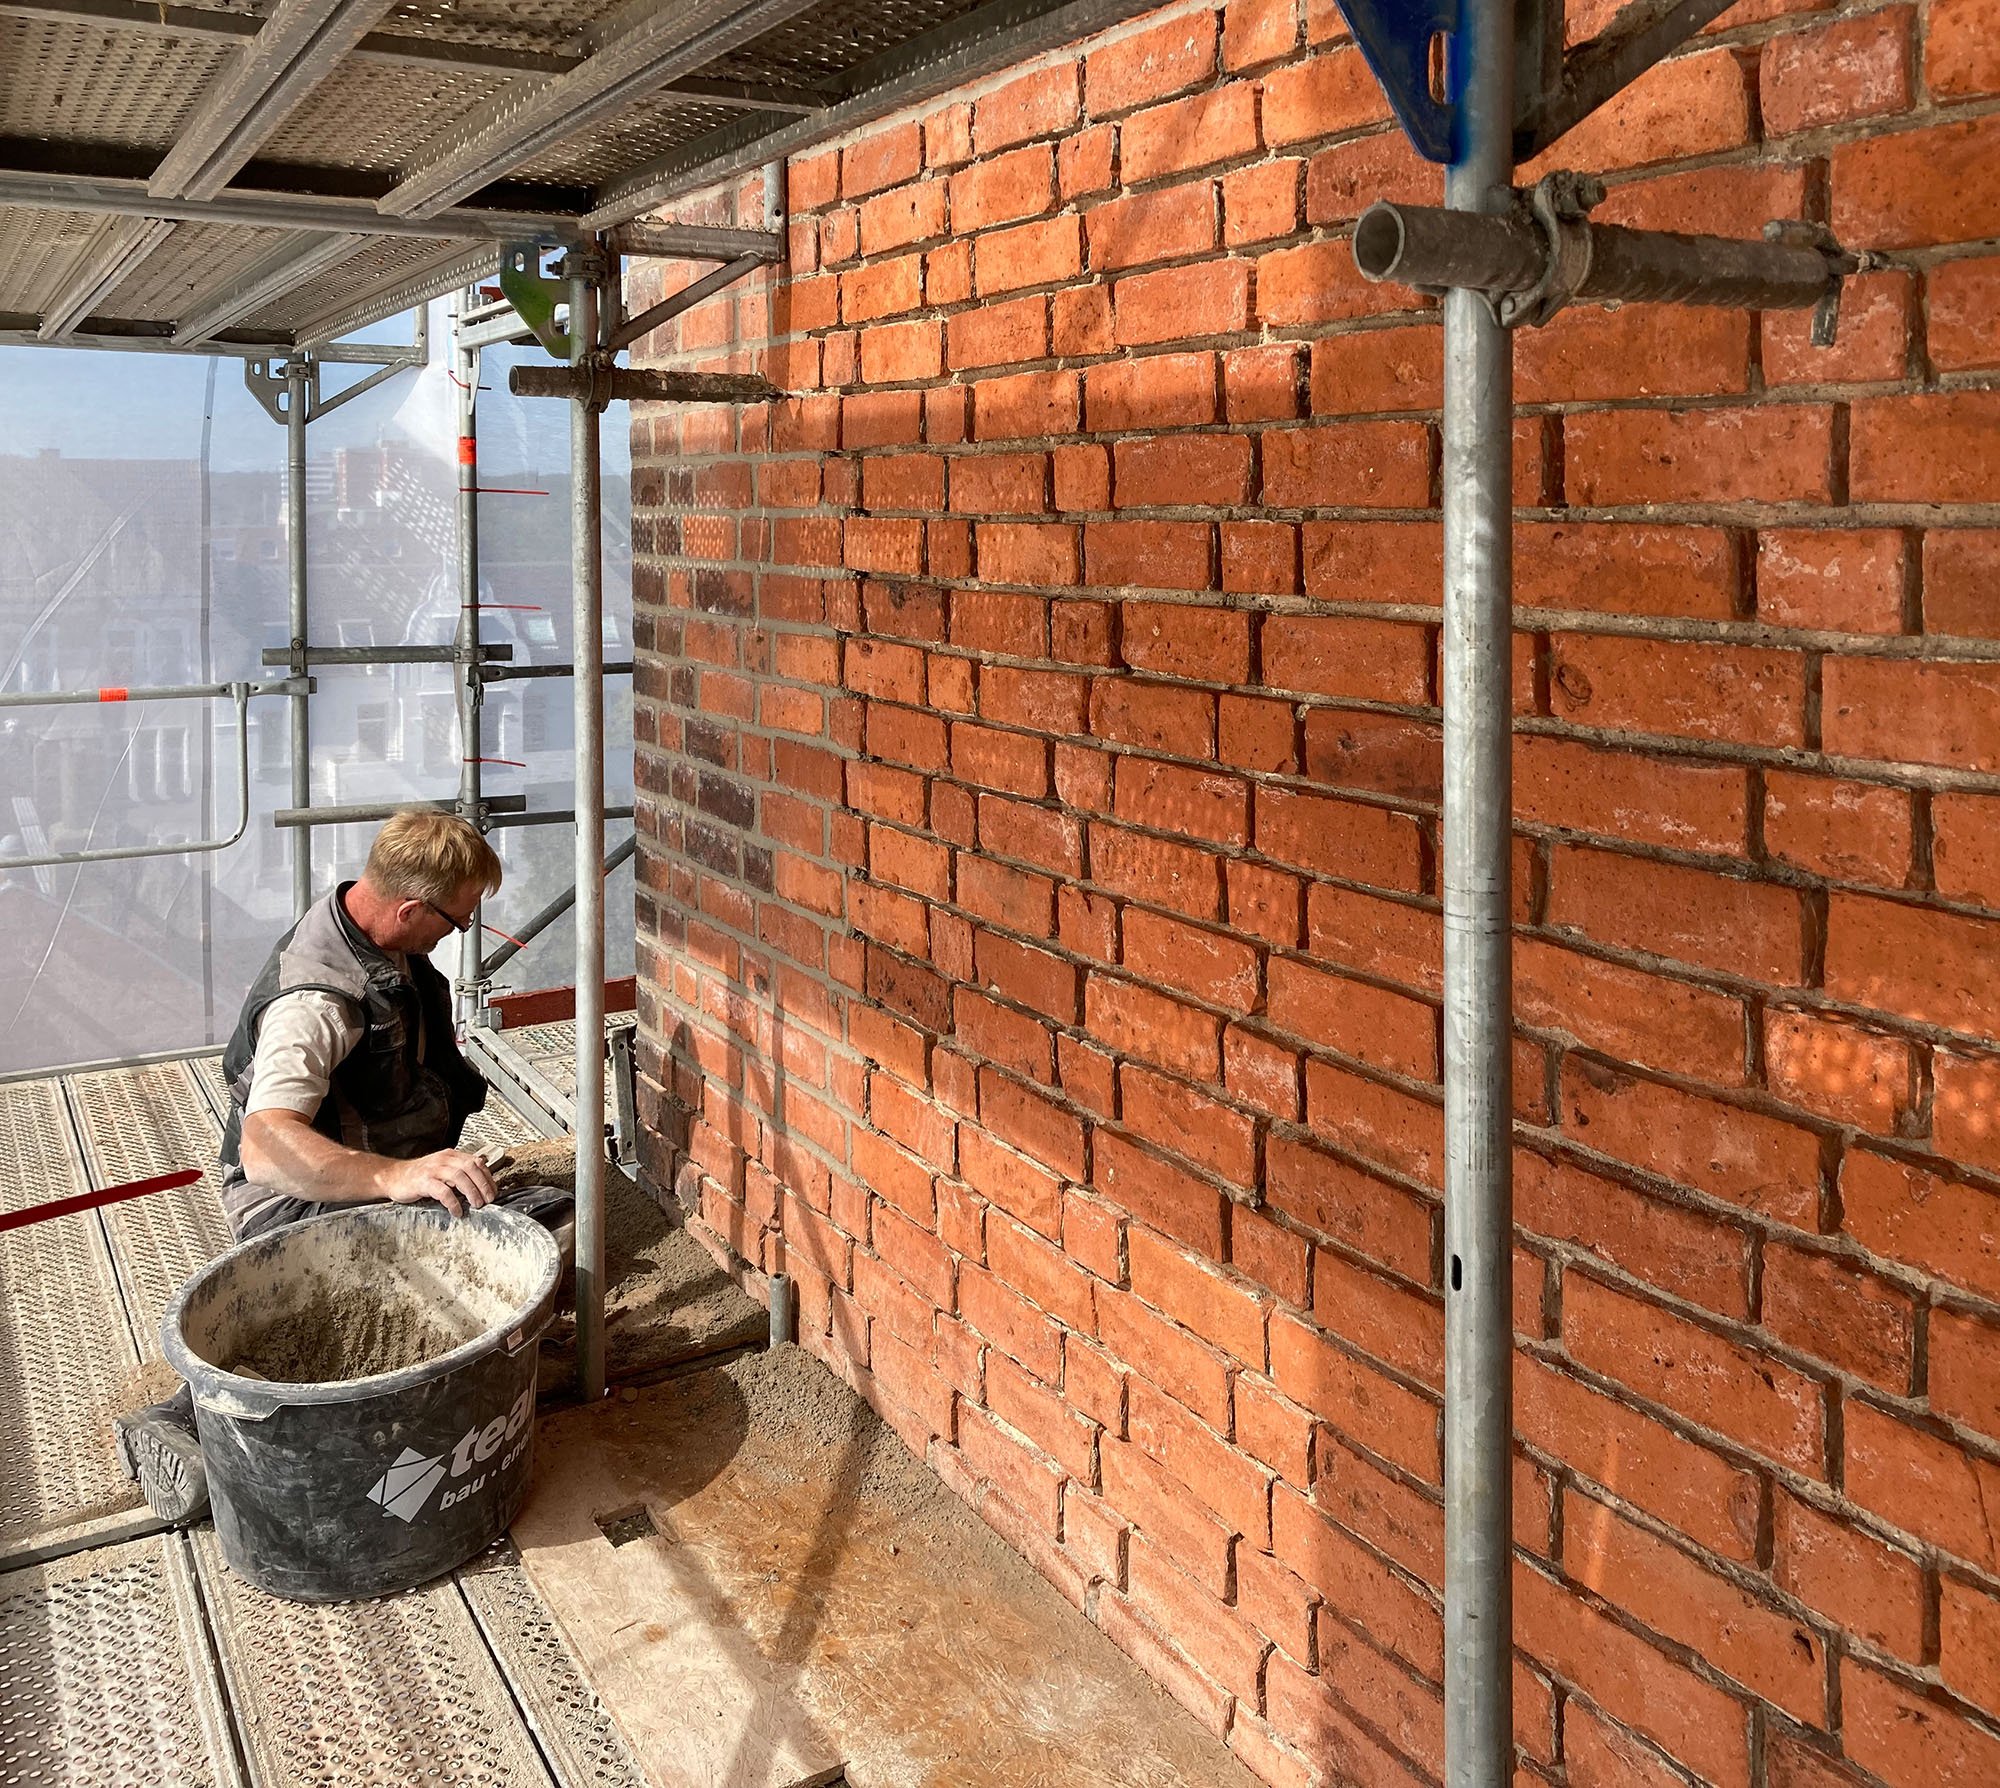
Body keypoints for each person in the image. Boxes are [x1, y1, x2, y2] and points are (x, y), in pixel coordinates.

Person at [114, 808, 573, 1524]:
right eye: (454, 924)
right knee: (487, 1253)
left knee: (545, 1217)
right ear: (411, 908)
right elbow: (265, 1146)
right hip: (297, 1203)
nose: (455, 937)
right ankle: (190, 1421)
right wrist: (398, 1180)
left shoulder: (373, 933)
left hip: (372, 1171)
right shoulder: (316, 1000)